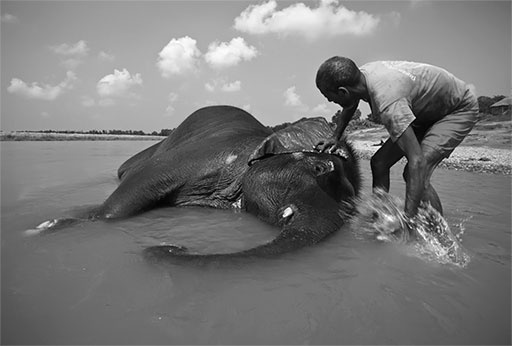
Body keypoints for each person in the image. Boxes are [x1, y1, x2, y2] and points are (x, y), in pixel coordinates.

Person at [314, 57, 479, 219]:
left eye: (329, 96)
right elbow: (350, 103)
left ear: (343, 91)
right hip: (422, 112)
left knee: (414, 173)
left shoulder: (389, 102)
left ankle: (436, 234)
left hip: (456, 110)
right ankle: (379, 215)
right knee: (379, 162)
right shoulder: (362, 77)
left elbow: (417, 162)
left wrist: (407, 218)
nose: (329, 100)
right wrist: (336, 136)